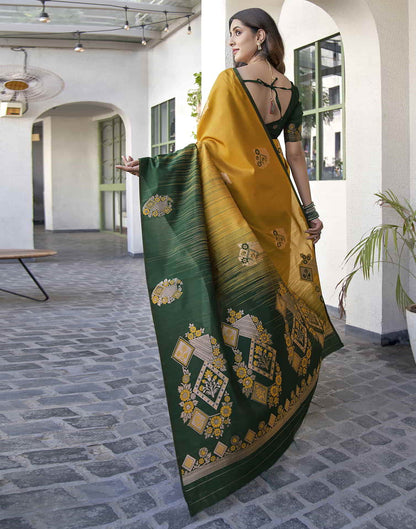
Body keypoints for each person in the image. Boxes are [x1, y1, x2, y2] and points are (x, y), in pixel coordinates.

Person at [117, 7, 343, 516]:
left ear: (261, 35)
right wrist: (308, 210)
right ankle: (281, 391)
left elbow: (207, 154)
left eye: (236, 33)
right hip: (277, 214)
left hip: (236, 212)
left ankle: (248, 410)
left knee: (231, 304)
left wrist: (152, 169)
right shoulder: (290, 90)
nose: (231, 44)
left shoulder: (228, 83)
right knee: (272, 303)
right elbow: (296, 158)